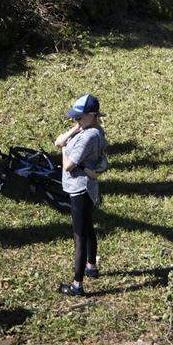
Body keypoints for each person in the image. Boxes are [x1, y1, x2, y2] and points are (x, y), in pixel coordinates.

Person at [55, 94, 108, 297]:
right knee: (87, 227)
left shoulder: (89, 136)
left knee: (79, 236)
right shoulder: (88, 130)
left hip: (80, 189)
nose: (76, 120)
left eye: (80, 117)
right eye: (75, 118)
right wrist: (74, 130)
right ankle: (91, 266)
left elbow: (68, 165)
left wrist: (65, 149)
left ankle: (77, 285)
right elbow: (57, 141)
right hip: (84, 187)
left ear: (93, 115)